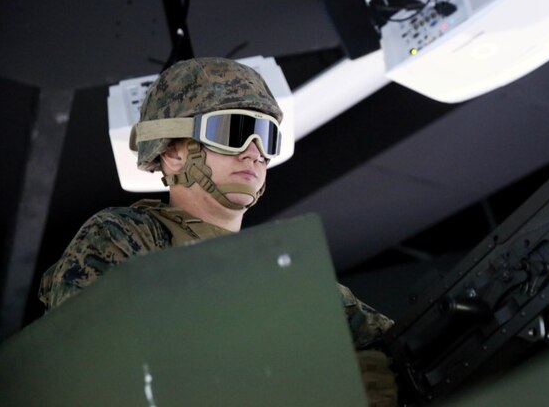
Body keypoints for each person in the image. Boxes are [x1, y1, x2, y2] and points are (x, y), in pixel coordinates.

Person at [38, 57, 398, 406]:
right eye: (235, 132)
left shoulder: (285, 276)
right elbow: (85, 365)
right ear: (175, 152)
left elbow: (397, 349)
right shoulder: (126, 236)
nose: (254, 154)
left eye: (265, 137)